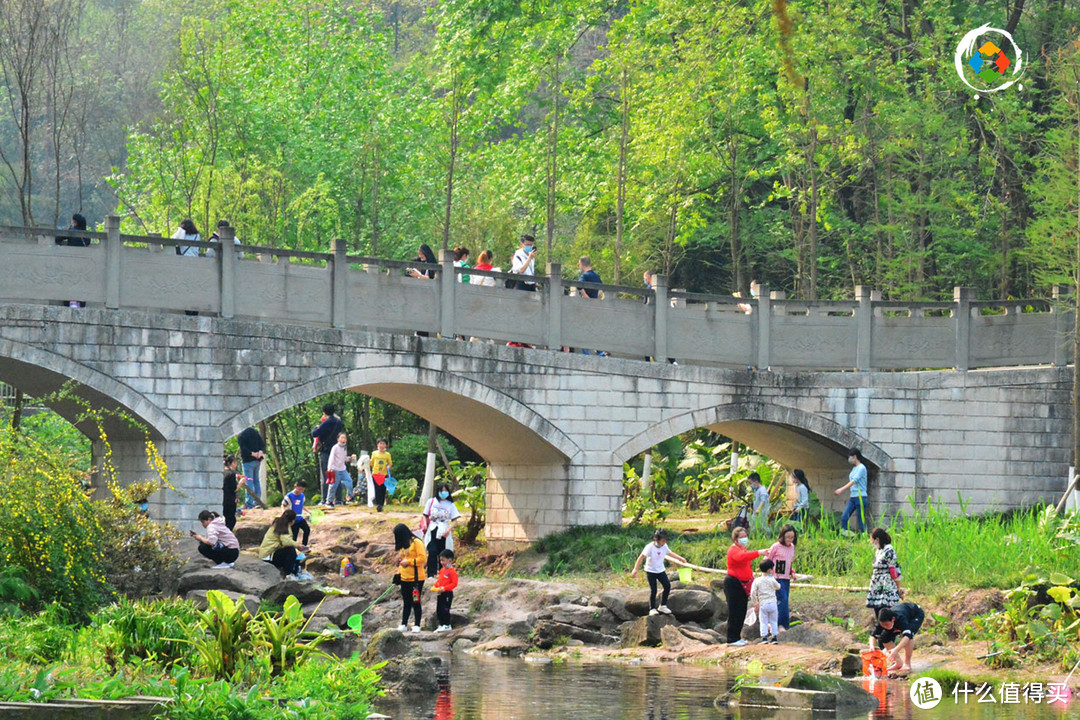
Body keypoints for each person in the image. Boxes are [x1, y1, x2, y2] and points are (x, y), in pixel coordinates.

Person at [630, 528, 688, 616]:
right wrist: (635, 569)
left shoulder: (664, 546)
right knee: (654, 590)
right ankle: (652, 608)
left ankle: (663, 605)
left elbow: (670, 553)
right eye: (663, 540)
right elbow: (641, 557)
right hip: (650, 571)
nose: (664, 542)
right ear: (656, 539)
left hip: (660, 570)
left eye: (665, 540)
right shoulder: (649, 547)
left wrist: (680, 558)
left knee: (667, 585)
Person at [724, 526, 765, 645]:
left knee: (742, 610)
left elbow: (746, 566)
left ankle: (737, 637)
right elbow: (742, 558)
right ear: (735, 540)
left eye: (745, 536)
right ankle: (731, 638)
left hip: (743, 584)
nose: (744, 539)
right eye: (741, 537)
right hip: (733, 583)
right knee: (734, 611)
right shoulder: (734, 550)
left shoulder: (744, 549)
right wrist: (759, 552)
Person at [871, 602, 924, 677]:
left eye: (886, 625)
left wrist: (895, 650)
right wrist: (872, 646)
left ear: (893, 619)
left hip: (915, 614)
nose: (884, 627)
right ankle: (898, 663)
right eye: (883, 625)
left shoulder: (901, 618)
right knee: (884, 638)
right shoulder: (883, 621)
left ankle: (907, 664)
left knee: (909, 635)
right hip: (897, 618)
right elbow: (873, 636)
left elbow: (907, 637)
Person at [421, 482, 461, 577]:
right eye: (441, 491)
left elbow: (455, 520)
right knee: (432, 551)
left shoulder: (451, 505)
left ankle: (443, 573)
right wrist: (425, 525)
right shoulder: (431, 501)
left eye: (445, 491)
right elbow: (425, 514)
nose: (443, 493)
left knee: (443, 553)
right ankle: (431, 574)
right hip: (433, 529)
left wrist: (449, 530)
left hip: (444, 531)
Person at [393, 523, 427, 633]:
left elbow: (422, 559)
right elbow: (402, 560)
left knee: (415, 601)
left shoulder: (417, 542)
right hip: (404, 578)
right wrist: (398, 574)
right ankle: (404, 623)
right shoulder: (403, 545)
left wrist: (409, 562)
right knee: (406, 602)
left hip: (416, 578)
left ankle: (417, 624)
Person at [260, 509, 310, 580]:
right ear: (292, 521)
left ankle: (293, 570)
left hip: (267, 554)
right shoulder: (284, 526)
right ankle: (288, 574)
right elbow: (286, 541)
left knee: (290, 553)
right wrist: (298, 546)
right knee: (290, 551)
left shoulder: (278, 523)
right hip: (270, 555)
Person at [310, 404, 345, 506]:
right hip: (338, 452)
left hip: (327, 451)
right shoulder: (339, 422)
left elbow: (315, 433)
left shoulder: (326, 423)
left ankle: (325, 499)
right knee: (337, 475)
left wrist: (315, 428)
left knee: (326, 475)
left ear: (324, 413)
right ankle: (338, 499)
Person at [767, 524, 797, 632]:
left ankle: (784, 624)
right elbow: (767, 559)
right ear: (783, 536)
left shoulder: (792, 547)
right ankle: (779, 624)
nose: (789, 540)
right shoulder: (776, 546)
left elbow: (789, 562)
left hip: (786, 578)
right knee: (782, 599)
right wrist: (769, 572)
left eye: (792, 538)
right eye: (788, 537)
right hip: (776, 577)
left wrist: (792, 572)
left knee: (785, 600)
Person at [866, 527, 903, 613]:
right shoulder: (878, 551)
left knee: (886, 610)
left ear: (877, 539)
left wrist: (898, 588)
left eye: (872, 540)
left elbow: (894, 571)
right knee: (877, 609)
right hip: (877, 585)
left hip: (886, 584)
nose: (872, 543)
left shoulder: (889, 551)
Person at [57, 213, 89, 307]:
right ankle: (81, 303)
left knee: (69, 281)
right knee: (81, 283)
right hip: (83, 263)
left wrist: (69, 230)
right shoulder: (86, 235)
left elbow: (57, 239)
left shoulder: (72, 232)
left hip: (71, 262)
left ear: (75, 222)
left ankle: (68, 302)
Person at [835, 447, 869, 533]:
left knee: (861, 520)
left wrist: (841, 489)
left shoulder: (862, 468)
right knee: (844, 517)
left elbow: (853, 481)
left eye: (850, 456)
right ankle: (844, 534)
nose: (849, 459)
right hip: (853, 497)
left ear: (854, 456)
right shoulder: (854, 468)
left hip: (861, 497)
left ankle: (865, 538)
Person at [749, 558, 782, 644]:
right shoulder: (771, 579)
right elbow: (778, 587)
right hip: (773, 603)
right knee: (773, 621)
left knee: (763, 621)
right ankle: (774, 637)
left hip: (763, 604)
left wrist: (755, 602)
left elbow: (752, 592)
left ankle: (764, 638)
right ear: (770, 570)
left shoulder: (757, 580)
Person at [237, 426, 266, 509]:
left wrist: (252, 454)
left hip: (248, 461)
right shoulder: (255, 432)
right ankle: (257, 501)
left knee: (249, 481)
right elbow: (262, 444)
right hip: (257, 461)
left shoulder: (241, 435)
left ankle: (249, 502)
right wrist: (259, 453)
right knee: (256, 480)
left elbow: (244, 449)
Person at [327, 431, 357, 506]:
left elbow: (343, 459)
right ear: (338, 439)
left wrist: (350, 458)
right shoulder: (335, 447)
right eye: (342, 438)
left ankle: (349, 498)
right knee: (334, 485)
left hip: (343, 469)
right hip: (335, 469)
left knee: (349, 481)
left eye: (345, 438)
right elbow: (331, 458)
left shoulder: (344, 448)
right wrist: (329, 468)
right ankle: (329, 501)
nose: (343, 439)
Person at [432, 549, 459, 632]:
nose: (441, 562)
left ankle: (447, 624)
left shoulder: (452, 571)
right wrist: (436, 585)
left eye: (443, 560)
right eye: (440, 560)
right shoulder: (442, 570)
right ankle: (441, 624)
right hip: (440, 593)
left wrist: (445, 588)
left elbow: (454, 583)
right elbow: (440, 580)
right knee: (439, 609)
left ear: (449, 560)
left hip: (447, 593)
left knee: (445, 609)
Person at [221, 454, 247, 531]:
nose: (236, 465)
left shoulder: (222, 473)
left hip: (222, 499)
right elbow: (234, 489)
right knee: (231, 520)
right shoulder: (231, 474)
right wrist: (241, 482)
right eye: (235, 463)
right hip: (229, 501)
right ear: (231, 463)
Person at [283, 481, 311, 545]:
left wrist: (309, 511)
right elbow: (283, 504)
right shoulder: (289, 496)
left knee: (307, 530)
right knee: (294, 536)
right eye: (299, 489)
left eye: (303, 490)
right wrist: (284, 513)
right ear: (295, 487)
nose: (301, 491)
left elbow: (301, 505)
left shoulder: (302, 496)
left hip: (300, 518)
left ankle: (304, 546)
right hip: (293, 520)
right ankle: (292, 550)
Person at [370, 438, 392, 512]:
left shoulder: (387, 455)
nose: (381, 445)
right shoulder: (374, 453)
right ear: (377, 445)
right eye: (380, 443)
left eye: (383, 444)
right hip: (375, 474)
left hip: (384, 474)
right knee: (377, 489)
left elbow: (390, 463)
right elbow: (371, 463)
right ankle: (378, 504)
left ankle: (381, 504)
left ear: (386, 445)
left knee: (383, 489)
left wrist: (388, 467)